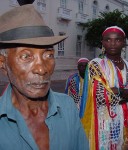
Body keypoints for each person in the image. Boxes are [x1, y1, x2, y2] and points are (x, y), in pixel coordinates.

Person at [0, 4, 89, 150]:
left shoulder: (68, 107)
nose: (42, 69)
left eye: (49, 55)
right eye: (26, 56)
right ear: (3, 63)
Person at [79, 26, 128, 149]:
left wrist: (118, 91)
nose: (112, 43)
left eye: (117, 40)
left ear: (124, 42)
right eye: (108, 40)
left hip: (125, 120)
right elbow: (101, 98)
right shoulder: (95, 65)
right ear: (102, 42)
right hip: (102, 122)